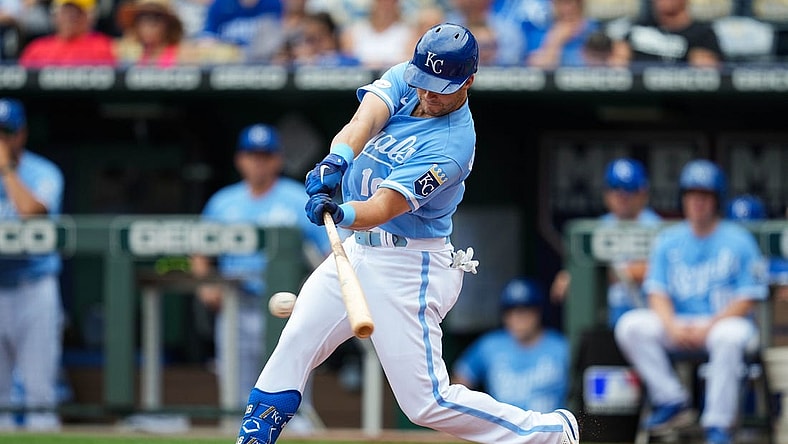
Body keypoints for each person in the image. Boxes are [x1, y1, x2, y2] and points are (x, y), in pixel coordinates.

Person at [235, 23, 579, 444]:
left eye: (441, 87)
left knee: (426, 403)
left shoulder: (453, 145)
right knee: (297, 340)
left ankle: (550, 433)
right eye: (424, 83)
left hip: (409, 264)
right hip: (359, 252)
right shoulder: (412, 75)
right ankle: (254, 437)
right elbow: (366, 118)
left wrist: (339, 211)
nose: (428, 94)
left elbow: (382, 208)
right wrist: (335, 160)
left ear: (468, 81)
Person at [614, 159, 769, 444]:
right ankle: (672, 400)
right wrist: (670, 325)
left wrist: (711, 325)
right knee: (631, 326)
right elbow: (656, 292)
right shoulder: (668, 240)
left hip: (723, 323)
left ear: (716, 200)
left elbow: (749, 297)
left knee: (729, 336)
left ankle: (717, 426)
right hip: (680, 323)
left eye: (705, 196)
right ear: (683, 199)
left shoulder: (739, 240)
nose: (697, 202)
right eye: (691, 195)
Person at [189, 123, 331, 428]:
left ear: (277, 159)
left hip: (287, 306)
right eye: (252, 155)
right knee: (235, 394)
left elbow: (330, 252)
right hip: (236, 305)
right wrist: (206, 286)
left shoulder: (296, 199)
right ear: (240, 159)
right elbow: (199, 251)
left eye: (265, 155)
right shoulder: (223, 202)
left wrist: (312, 291)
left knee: (291, 389)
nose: (258, 162)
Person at [0, 98, 65, 431]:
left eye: (5, 133)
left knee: (40, 392)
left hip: (34, 286)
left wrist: (7, 169)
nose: (1, 140)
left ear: (20, 134)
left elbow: (32, 213)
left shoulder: (43, 172)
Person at [551, 157, 662, 328]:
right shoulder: (598, 227)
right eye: (615, 188)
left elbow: (652, 271)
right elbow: (570, 277)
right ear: (606, 193)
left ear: (643, 192)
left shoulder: (657, 227)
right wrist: (569, 277)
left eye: (629, 189)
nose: (621, 196)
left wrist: (597, 276)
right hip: (606, 320)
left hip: (646, 321)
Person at [452, 277, 570, 413]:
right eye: (510, 311)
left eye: (524, 311)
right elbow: (460, 381)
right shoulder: (490, 345)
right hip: (504, 430)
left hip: (549, 429)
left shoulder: (561, 346)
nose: (517, 319)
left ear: (538, 312)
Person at [609, 0, 722, 68]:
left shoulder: (703, 33)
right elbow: (616, 63)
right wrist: (618, 58)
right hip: (642, 100)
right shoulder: (637, 29)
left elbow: (715, 73)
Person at [18, 0, 116, 67]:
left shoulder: (102, 47)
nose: (71, 18)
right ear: (55, 15)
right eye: (66, 12)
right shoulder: (37, 48)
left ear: (90, 17)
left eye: (78, 12)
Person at [526, 0, 599, 68]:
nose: (568, 9)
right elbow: (533, 69)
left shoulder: (595, 30)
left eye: (571, 2)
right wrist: (555, 41)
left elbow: (602, 66)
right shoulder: (540, 32)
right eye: (561, 3)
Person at [114, 0, 185, 67]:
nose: (147, 26)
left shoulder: (181, 55)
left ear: (168, 24)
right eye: (141, 18)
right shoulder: (131, 54)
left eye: (155, 18)